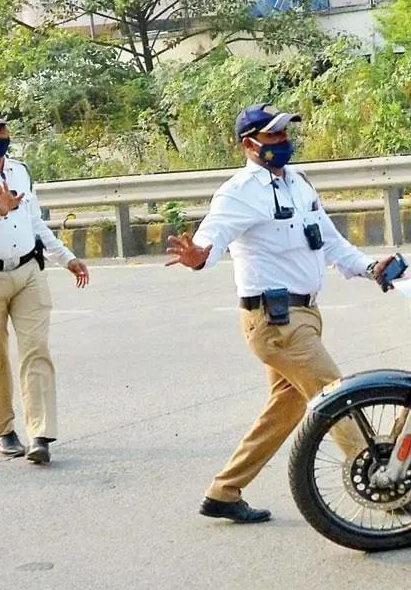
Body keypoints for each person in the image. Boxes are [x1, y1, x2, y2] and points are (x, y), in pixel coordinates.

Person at [166, 104, 398, 524]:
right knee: (334, 392)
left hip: (305, 313)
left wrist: (368, 267)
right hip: (274, 320)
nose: (282, 142)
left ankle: (224, 491)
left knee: (286, 408)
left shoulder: (299, 184)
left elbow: (328, 241)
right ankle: (386, 481)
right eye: (272, 136)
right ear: (248, 144)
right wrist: (199, 255)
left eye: (284, 134)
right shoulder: (239, 192)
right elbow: (211, 239)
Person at [0, 108, 91, 465]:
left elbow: (35, 222)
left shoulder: (20, 171)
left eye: (0, 131)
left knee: (36, 350)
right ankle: (4, 430)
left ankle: (40, 434)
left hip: (28, 271)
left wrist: (66, 257)